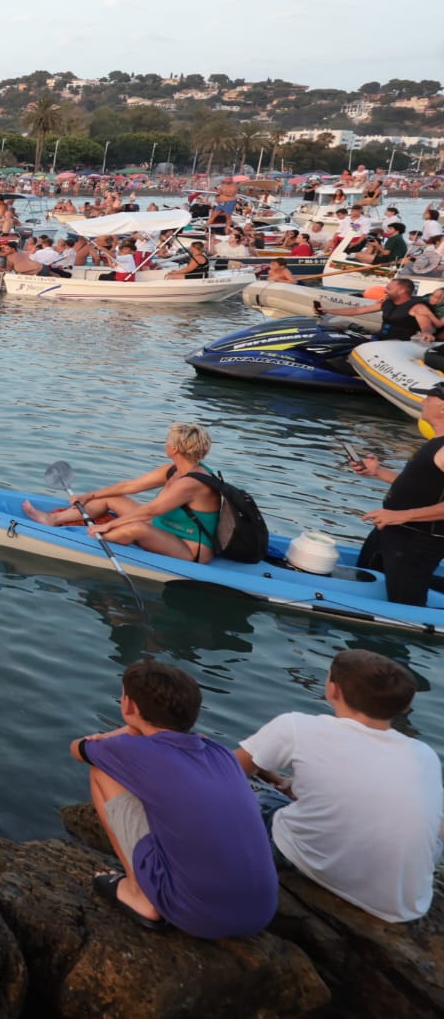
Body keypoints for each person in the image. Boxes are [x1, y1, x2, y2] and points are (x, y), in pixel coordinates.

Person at [72, 660, 279, 935]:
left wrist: (126, 730)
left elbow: (78, 749)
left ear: (129, 706)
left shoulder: (126, 749)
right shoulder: (220, 752)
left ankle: (139, 895)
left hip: (196, 915)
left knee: (101, 772)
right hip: (261, 912)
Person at [235, 650, 442, 922]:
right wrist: (295, 786)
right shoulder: (424, 754)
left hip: (315, 867)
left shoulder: (295, 726)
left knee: (256, 801)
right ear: (404, 705)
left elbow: (227, 771)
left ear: (333, 689)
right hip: (405, 905)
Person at [21, 423, 225, 562]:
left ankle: (86, 541)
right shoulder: (174, 469)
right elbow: (130, 486)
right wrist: (90, 496)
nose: (166, 444)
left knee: (136, 528)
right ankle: (52, 520)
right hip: (164, 528)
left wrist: (110, 524)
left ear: (175, 449)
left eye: (168, 441)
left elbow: (150, 511)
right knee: (111, 499)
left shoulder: (192, 483)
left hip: (189, 549)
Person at [347, 388, 444, 604]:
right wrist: (377, 472)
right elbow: (421, 486)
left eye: (429, 397)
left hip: (416, 540)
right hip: (390, 530)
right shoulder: (436, 442)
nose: (423, 400)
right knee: (364, 577)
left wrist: (401, 516)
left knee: (404, 601)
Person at [316, 277, 439, 342]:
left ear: (401, 291)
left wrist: (427, 333)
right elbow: (358, 310)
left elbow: (426, 327)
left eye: (389, 288)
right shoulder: (387, 302)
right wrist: (329, 311)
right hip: (380, 338)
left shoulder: (417, 307)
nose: (385, 290)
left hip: (400, 344)